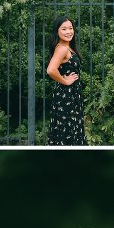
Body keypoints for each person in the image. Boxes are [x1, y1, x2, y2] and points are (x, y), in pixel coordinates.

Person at [46, 17, 85, 146]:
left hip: (71, 95)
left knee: (69, 130)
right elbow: (51, 70)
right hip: (66, 96)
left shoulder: (68, 48)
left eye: (70, 28)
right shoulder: (62, 49)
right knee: (67, 131)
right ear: (57, 32)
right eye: (64, 29)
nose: (68, 32)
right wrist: (65, 81)